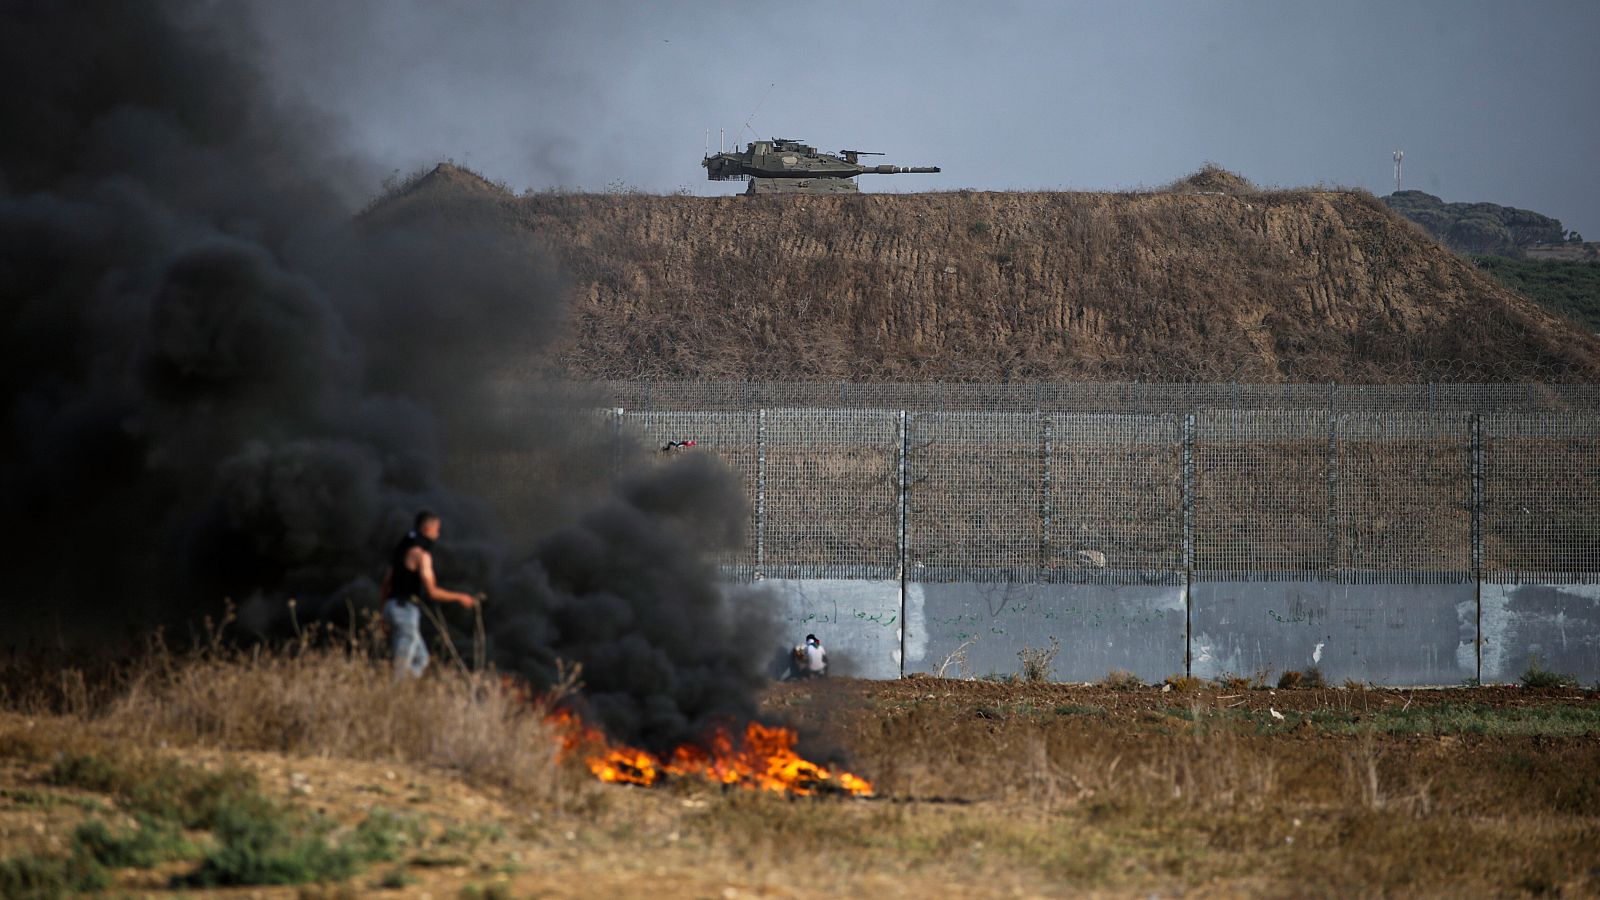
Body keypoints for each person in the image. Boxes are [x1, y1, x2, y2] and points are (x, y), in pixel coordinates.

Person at [379, 511, 477, 677]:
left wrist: (383, 613)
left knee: (421, 659)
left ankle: (404, 694)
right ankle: (395, 696)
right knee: (400, 668)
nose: (437, 534)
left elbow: (386, 583)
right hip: (406, 612)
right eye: (436, 529)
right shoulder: (421, 556)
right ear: (427, 528)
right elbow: (432, 592)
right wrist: (460, 597)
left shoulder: (401, 549)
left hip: (391, 607)